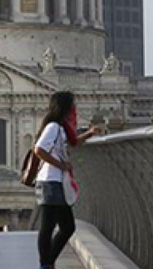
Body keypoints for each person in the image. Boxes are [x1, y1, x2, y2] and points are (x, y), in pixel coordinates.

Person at [33, 91, 101, 269]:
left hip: (55, 181)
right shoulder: (53, 127)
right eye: (72, 105)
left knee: (61, 226)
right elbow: (39, 150)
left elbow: (70, 143)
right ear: (65, 107)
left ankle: (48, 263)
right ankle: (46, 264)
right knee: (54, 226)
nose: (74, 109)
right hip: (50, 181)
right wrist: (61, 165)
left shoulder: (60, 128)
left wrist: (89, 134)